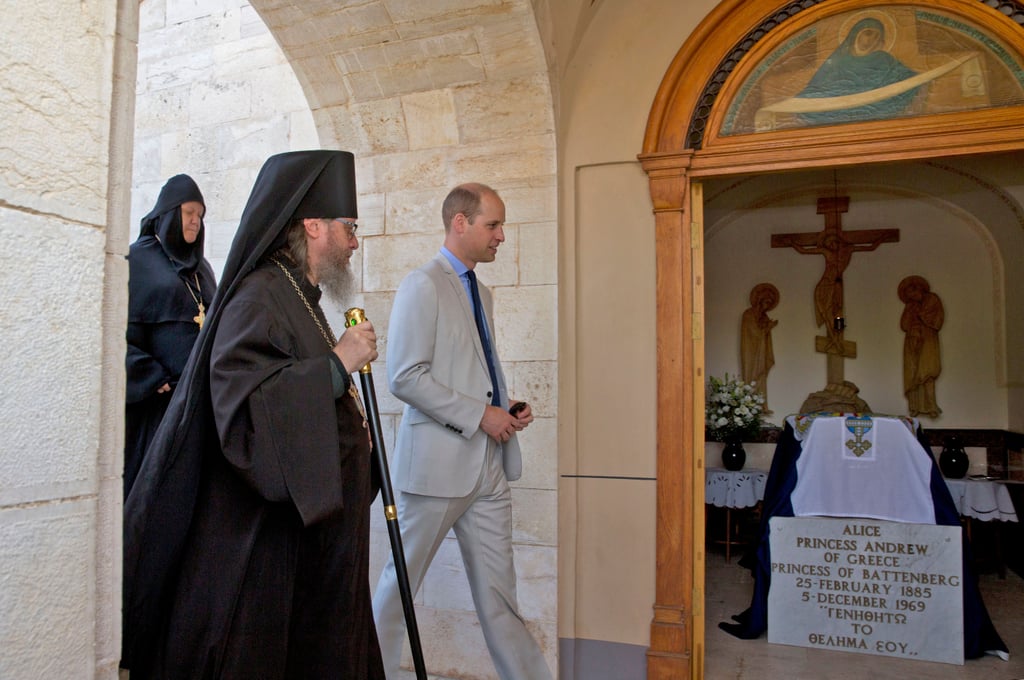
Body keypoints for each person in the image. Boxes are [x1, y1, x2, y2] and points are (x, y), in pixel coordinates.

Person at [122, 150, 384, 679]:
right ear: (313, 224)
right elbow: (247, 408)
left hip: (312, 547)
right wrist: (336, 365)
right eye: (348, 227)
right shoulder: (260, 294)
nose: (355, 241)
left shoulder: (300, 294)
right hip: (266, 552)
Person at [373, 183, 551, 680]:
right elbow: (405, 377)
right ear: (460, 223)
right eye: (492, 225)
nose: (501, 236)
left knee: (500, 598)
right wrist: (479, 415)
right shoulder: (421, 284)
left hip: (490, 467)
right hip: (436, 469)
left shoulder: (483, 293)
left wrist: (504, 407)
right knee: (398, 588)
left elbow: (474, 369)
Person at [124, 174, 215, 498]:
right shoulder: (136, 260)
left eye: (200, 215)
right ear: (168, 213)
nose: (195, 221)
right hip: (157, 408)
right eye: (189, 212)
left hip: (199, 407)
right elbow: (114, 334)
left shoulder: (202, 269)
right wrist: (146, 374)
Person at [899, 275, 943, 418]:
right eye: (908, 296)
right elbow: (904, 325)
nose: (911, 298)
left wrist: (920, 315)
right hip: (911, 341)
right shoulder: (910, 305)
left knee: (928, 371)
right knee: (912, 374)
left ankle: (931, 405)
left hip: (927, 339)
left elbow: (936, 320)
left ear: (919, 289)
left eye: (912, 294)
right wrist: (910, 311)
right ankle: (914, 406)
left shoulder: (932, 299)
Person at [740, 282, 779, 413]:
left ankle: (762, 406)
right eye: (765, 303)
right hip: (751, 353)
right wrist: (767, 328)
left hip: (761, 352)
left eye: (769, 304)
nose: (767, 307)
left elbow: (763, 334)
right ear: (759, 301)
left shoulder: (764, 317)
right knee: (752, 377)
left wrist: (767, 328)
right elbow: (754, 332)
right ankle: (750, 405)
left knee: (762, 376)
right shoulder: (748, 314)